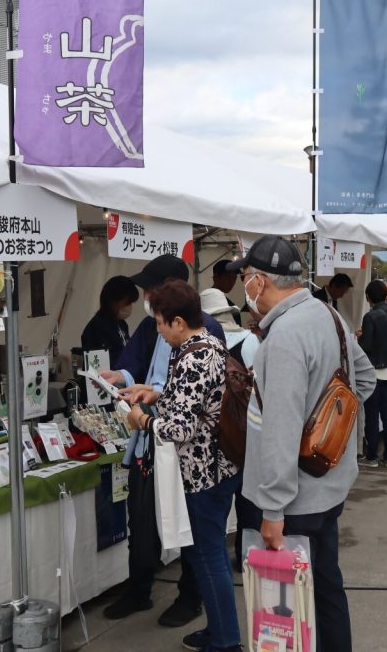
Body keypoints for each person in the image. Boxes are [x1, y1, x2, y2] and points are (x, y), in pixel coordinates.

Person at [227, 235, 375, 652]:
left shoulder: (286, 335)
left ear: (258, 280)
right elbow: (362, 379)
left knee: (288, 609)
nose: (245, 287)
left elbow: (279, 429)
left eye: (245, 277)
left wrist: (272, 509)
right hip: (327, 486)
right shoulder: (326, 314)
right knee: (326, 588)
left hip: (293, 501)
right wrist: (330, 431)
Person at [99, 254, 226, 628]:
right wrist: (122, 378)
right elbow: (134, 363)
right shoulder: (149, 325)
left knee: (189, 525)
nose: (144, 296)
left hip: (185, 449)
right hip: (148, 440)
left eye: (150, 289)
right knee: (140, 518)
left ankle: (191, 596)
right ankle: (138, 588)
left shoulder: (206, 333)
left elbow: (196, 395)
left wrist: (155, 401)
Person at [123, 280, 242, 652]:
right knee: (207, 556)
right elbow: (196, 399)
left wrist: (142, 419)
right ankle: (219, 630)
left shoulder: (193, 356)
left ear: (177, 321)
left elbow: (179, 427)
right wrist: (156, 393)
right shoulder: (205, 343)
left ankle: (225, 640)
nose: (157, 330)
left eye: (160, 323)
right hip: (214, 469)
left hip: (203, 475)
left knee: (208, 558)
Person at [199, 286, 262, 570]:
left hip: (215, 435)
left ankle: (218, 559)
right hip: (248, 430)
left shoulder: (202, 344)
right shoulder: (250, 340)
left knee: (218, 503)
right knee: (249, 499)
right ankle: (248, 557)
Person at [358, 280, 387, 468]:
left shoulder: (370, 317)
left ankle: (372, 456)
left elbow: (366, 346)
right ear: (386, 295)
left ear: (368, 297)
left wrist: (359, 337)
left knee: (372, 414)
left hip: (374, 371)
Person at [80, 275, 139, 365]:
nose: (129, 307)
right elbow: (96, 368)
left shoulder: (122, 324)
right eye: (127, 303)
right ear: (112, 301)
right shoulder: (96, 328)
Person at [211, 260, 243, 325]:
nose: (232, 282)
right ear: (216, 277)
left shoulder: (232, 308)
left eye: (234, 279)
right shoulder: (201, 302)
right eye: (228, 278)